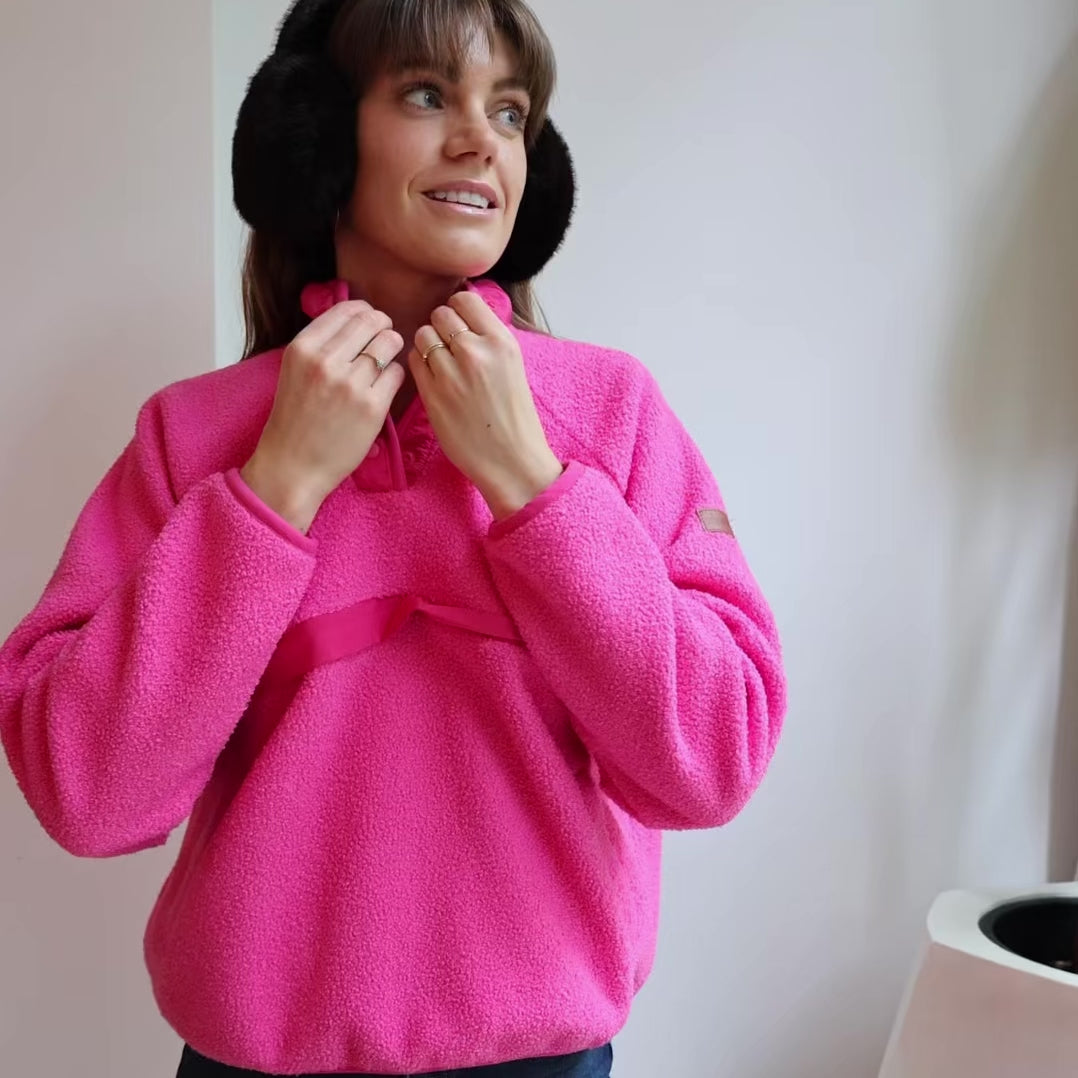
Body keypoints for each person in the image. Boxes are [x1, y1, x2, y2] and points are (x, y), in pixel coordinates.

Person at [0, 0, 787, 1075]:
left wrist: (534, 487)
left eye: (509, 111)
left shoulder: (613, 415)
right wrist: (273, 488)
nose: (480, 141)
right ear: (318, 138)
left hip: (540, 1064)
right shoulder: (193, 436)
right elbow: (87, 792)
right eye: (428, 94)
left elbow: (715, 760)